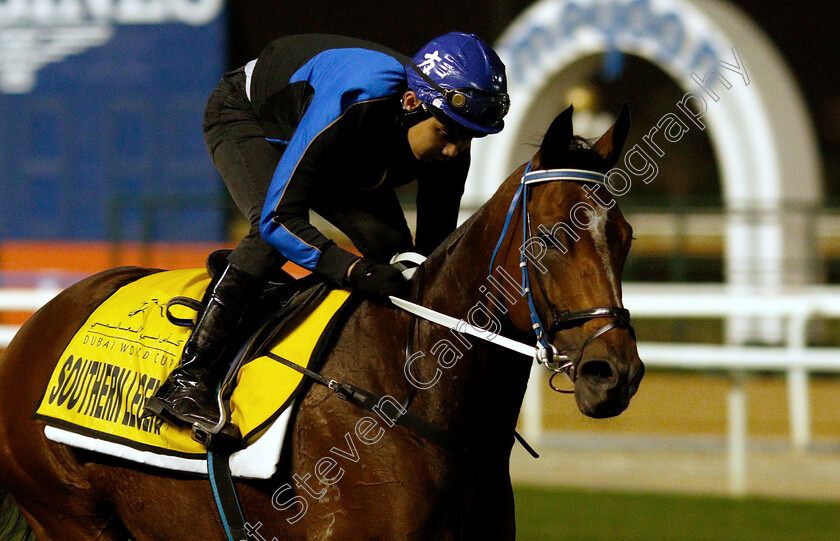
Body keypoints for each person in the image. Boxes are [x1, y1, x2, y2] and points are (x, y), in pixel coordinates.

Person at [143, 32, 510, 434]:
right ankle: (187, 380)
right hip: (251, 117)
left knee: (394, 254)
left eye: (469, 136)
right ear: (411, 102)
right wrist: (352, 270)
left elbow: (432, 254)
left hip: (337, 144)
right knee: (270, 241)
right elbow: (278, 219)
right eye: (447, 133)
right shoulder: (358, 93)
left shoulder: (448, 128)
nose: (455, 151)